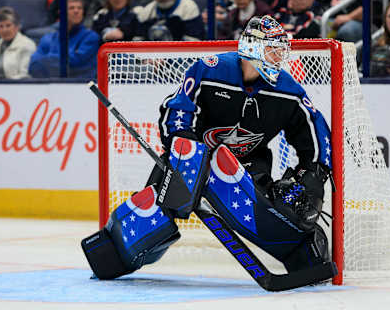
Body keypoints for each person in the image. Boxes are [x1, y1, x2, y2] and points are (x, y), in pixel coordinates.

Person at [81, 15, 336, 283]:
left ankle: (303, 257)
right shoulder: (210, 69)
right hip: (193, 162)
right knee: (155, 212)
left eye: (280, 51)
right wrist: (184, 146)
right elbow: (177, 110)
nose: (278, 57)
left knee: (272, 212)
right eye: (272, 49)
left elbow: (315, 130)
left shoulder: (288, 90)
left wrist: (315, 170)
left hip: (249, 165)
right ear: (252, 47)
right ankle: (112, 253)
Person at [28, 0, 100, 78]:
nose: (76, 11)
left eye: (79, 8)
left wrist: (48, 60)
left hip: (81, 86)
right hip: (52, 85)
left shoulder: (91, 37)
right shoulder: (48, 38)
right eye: (71, 8)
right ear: (61, 12)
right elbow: (34, 64)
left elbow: (75, 62)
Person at [136, 0, 205, 41]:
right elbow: (138, 41)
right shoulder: (146, 11)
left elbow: (194, 42)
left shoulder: (189, 7)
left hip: (180, 56)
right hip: (152, 57)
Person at [0, 6, 36, 79]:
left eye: (8, 25)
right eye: (1, 26)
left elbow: (24, 75)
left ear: (17, 27)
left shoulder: (27, 45)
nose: (4, 30)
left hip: (14, 87)